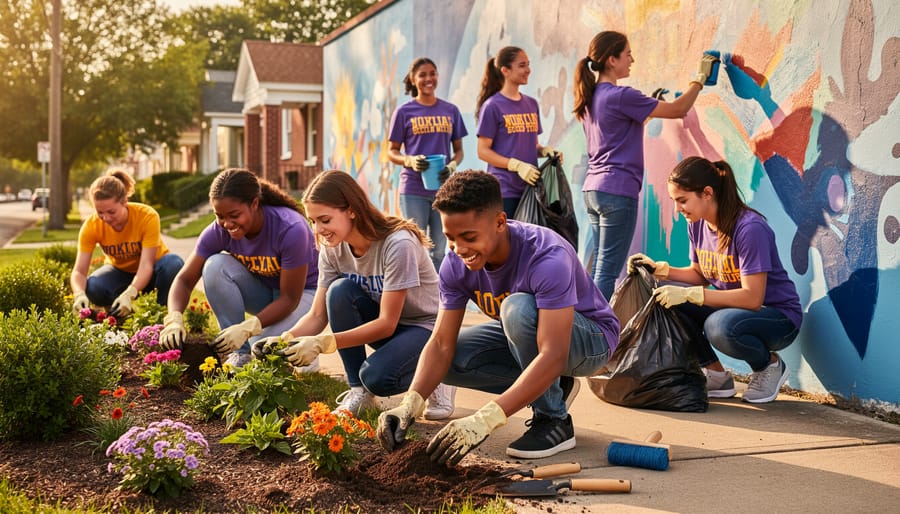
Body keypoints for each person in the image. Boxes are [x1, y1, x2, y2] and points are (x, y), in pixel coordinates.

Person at [376, 170, 620, 465]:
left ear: (500, 223)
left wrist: (486, 419)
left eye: (469, 237)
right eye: (450, 238)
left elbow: (553, 354)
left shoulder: (546, 256)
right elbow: (441, 343)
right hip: (533, 335)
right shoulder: (455, 263)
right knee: (449, 360)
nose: (459, 249)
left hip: (590, 339)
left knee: (517, 310)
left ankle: (553, 419)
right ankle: (553, 387)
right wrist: (409, 404)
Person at [255, 170, 456, 420]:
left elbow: (386, 323)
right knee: (339, 292)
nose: (318, 230)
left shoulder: (397, 244)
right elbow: (318, 315)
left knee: (378, 378)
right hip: (390, 328)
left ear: (351, 210)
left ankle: (439, 373)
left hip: (425, 328)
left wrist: (322, 343)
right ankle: (358, 392)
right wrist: (285, 339)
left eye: (325, 220)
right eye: (313, 221)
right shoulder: (332, 248)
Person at [628, 156, 802, 403]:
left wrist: (690, 294)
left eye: (682, 200)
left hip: (777, 318)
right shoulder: (697, 224)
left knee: (718, 326)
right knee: (663, 296)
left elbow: (752, 298)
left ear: (707, 193)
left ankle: (769, 366)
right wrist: (660, 270)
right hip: (734, 309)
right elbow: (699, 275)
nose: (678, 209)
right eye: (675, 201)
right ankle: (716, 375)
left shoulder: (749, 229)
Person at [573, 30, 719, 299]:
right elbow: (677, 110)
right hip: (618, 191)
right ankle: (594, 333)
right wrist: (699, 79)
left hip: (593, 191)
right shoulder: (621, 95)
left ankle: (586, 326)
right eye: (627, 54)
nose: (632, 60)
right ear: (611, 60)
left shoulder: (590, 99)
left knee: (599, 268)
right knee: (608, 270)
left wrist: (648, 109)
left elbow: (618, 132)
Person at [157, 168, 318, 370]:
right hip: (266, 293)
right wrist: (174, 318)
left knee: (261, 347)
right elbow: (184, 280)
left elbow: (289, 298)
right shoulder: (218, 231)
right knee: (215, 266)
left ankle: (303, 342)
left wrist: (249, 328)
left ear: (254, 204)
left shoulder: (290, 228)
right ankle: (239, 354)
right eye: (220, 216)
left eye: (234, 215)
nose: (227, 224)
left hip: (305, 297)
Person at [388, 56, 468, 271]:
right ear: (413, 80)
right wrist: (409, 160)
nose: (428, 78)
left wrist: (452, 166)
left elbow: (459, 151)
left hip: (443, 189)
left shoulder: (450, 110)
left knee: (441, 249)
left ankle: (440, 297)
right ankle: (417, 296)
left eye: (432, 73)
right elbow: (391, 151)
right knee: (415, 246)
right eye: (422, 75)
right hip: (412, 188)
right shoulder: (404, 112)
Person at [71, 170, 183, 317]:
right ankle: (118, 314)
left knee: (173, 264)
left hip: (155, 272)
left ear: (124, 202)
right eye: (100, 212)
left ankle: (161, 315)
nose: (106, 218)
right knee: (93, 286)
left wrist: (130, 293)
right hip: (120, 273)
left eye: (111, 212)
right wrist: (79, 294)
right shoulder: (91, 225)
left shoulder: (147, 216)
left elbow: (146, 265)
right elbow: (79, 271)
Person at [475, 46, 561, 219]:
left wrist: (545, 151)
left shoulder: (531, 104)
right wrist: (516, 165)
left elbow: (533, 145)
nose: (528, 70)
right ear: (505, 70)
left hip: (531, 188)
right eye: (522, 65)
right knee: (508, 242)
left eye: (528, 65)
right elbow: (483, 151)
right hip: (504, 191)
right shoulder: (492, 106)